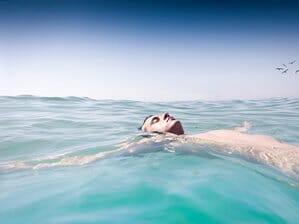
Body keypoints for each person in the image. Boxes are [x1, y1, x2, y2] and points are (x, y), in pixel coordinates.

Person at [140, 112, 299, 178]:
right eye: (155, 120)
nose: (165, 114)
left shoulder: (206, 134)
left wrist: (244, 127)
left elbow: (236, 132)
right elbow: (124, 150)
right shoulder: (170, 142)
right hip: (289, 163)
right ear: (150, 134)